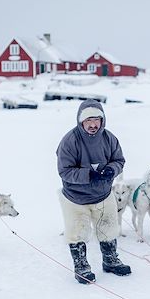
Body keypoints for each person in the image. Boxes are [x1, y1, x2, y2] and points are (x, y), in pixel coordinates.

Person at [56, 99, 130, 284]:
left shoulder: (109, 138)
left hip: (103, 195)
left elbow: (119, 160)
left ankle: (110, 260)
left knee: (108, 228)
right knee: (77, 232)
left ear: (102, 120)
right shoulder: (69, 141)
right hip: (76, 198)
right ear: (81, 121)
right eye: (88, 120)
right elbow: (64, 171)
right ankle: (81, 266)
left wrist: (112, 169)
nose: (93, 124)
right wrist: (89, 175)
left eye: (97, 119)